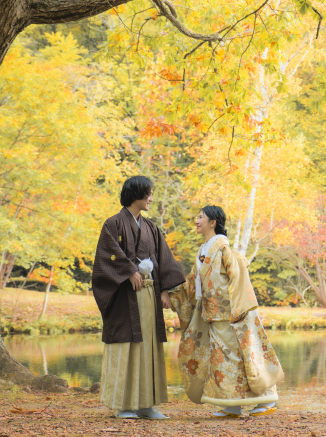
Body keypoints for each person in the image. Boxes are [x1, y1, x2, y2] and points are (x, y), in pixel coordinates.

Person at [169, 205, 284, 418]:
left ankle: (267, 399)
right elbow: (192, 284)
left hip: (232, 313)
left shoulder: (223, 250)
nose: (196, 220)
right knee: (223, 360)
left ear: (213, 223)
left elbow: (239, 280)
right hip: (213, 315)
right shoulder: (203, 250)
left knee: (244, 355)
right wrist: (172, 295)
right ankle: (232, 405)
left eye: (200, 217)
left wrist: (239, 310)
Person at [92, 176, 186, 420]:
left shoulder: (152, 228)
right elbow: (106, 257)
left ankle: (146, 405)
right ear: (136, 194)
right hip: (124, 297)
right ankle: (124, 405)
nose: (151, 199)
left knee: (149, 347)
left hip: (149, 296)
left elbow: (164, 260)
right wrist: (129, 270)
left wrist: (165, 289)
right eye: (148, 194)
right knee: (127, 347)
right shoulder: (113, 224)